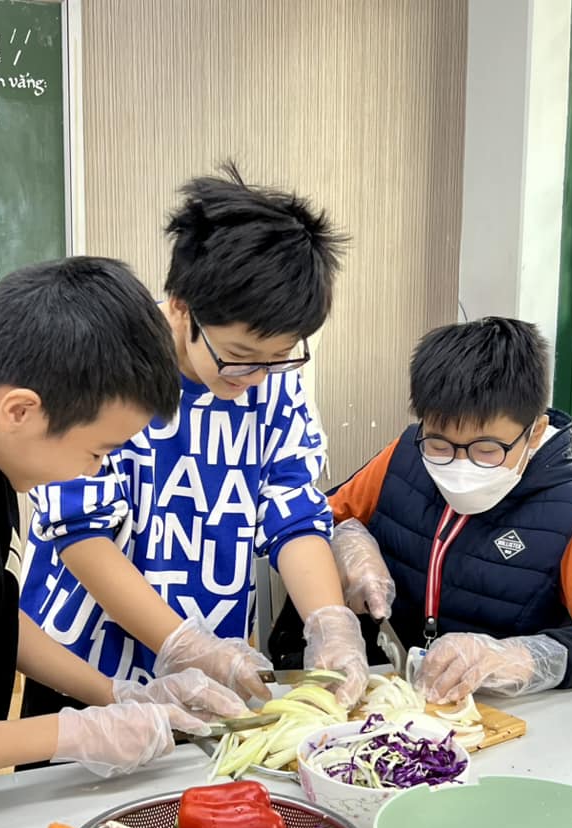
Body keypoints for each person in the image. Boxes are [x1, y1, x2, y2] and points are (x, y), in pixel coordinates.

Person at [0, 257, 248, 792]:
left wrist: (117, 696)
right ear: (20, 411)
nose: (92, 472)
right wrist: (73, 734)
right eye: (97, 452)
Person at [19, 164, 371, 713]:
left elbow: (293, 515)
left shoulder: (274, 381)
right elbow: (81, 532)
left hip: (215, 669)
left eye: (280, 357)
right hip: (85, 670)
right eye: (239, 356)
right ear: (182, 307)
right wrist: (184, 646)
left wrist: (330, 623)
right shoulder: (102, 365)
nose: (256, 377)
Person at [272, 316, 572, 704]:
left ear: (534, 432)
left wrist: (524, 658)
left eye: (487, 450)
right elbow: (318, 519)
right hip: (380, 696)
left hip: (491, 713)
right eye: (439, 445)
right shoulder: (404, 457)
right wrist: (346, 542)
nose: (460, 465)